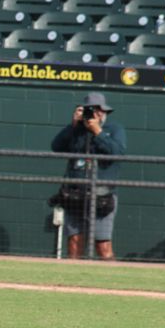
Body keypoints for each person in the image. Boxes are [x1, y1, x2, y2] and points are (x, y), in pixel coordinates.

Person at [50, 92, 126, 259]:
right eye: (91, 110)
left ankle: (110, 281)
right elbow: (56, 146)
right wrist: (72, 125)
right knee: (74, 242)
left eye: (99, 110)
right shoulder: (76, 131)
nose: (95, 114)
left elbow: (117, 153)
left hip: (101, 196)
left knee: (103, 245)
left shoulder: (114, 129)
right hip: (75, 194)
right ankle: (72, 282)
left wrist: (97, 131)